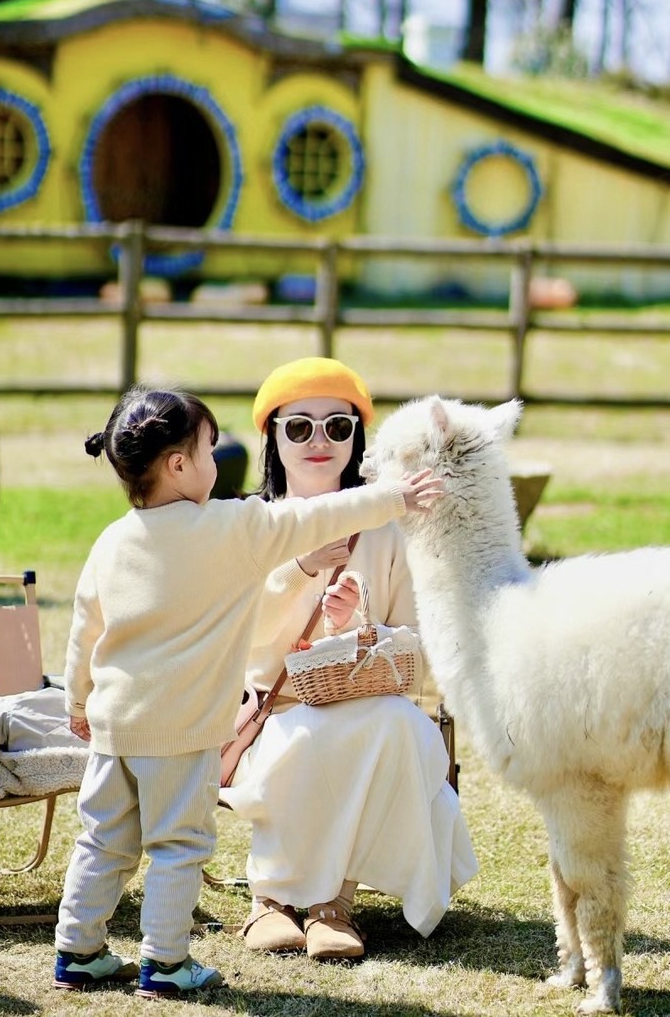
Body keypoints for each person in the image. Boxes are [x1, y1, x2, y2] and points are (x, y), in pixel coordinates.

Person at [53, 384, 442, 998]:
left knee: (103, 841)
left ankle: (78, 950)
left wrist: (77, 703)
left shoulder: (112, 540)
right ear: (178, 465)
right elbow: (321, 516)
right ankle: (167, 963)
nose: (219, 461)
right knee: (179, 847)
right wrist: (398, 495)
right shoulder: (232, 528)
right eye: (210, 449)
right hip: (181, 733)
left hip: (112, 728)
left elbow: (84, 631)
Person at [220, 357, 478, 962]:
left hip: (366, 699)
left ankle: (334, 904)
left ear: (355, 438)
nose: (318, 441)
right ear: (273, 437)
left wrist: (359, 627)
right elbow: (231, 642)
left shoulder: (387, 526)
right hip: (270, 709)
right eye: (299, 427)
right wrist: (299, 572)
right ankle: (273, 900)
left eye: (337, 427)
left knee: (396, 726)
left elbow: (416, 640)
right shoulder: (247, 525)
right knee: (307, 735)